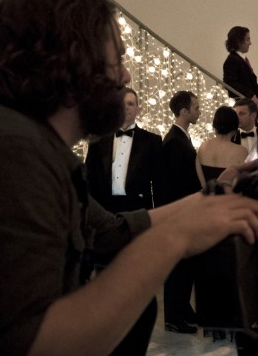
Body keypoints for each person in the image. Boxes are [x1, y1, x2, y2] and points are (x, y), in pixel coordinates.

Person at [0, 0, 258, 356]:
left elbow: (113, 232)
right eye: (117, 60)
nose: (125, 76)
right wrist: (176, 238)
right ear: (71, 61)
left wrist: (218, 191)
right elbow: (35, 343)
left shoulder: (39, 146)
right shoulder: (13, 150)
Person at [84, 87, 163, 355]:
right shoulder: (98, 142)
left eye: (131, 104)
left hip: (137, 214)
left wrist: (155, 219)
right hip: (105, 214)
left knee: (136, 276)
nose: (127, 108)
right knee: (106, 277)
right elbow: (90, 184)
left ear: (138, 108)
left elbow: (158, 185)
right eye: (122, 104)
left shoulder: (152, 141)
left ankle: (134, 331)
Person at [159, 90, 204, 334]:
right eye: (196, 108)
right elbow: (175, 184)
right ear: (184, 111)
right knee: (178, 265)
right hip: (178, 213)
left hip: (183, 211)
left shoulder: (180, 138)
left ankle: (183, 310)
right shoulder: (175, 142)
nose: (199, 111)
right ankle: (174, 317)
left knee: (185, 264)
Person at [195, 105, 248, 188]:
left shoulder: (203, 147)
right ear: (235, 127)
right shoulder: (242, 151)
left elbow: (202, 183)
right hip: (230, 196)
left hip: (207, 195)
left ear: (215, 125)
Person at [222, 26, 258, 106]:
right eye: (247, 39)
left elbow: (244, 84)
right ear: (238, 41)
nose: (250, 43)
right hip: (244, 106)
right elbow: (230, 83)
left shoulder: (240, 59)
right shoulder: (232, 60)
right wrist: (250, 95)